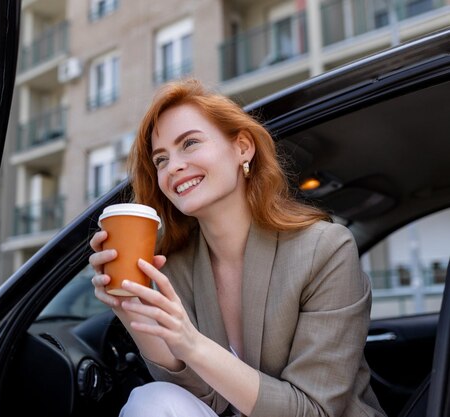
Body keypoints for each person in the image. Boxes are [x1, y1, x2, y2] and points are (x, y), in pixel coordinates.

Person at [89, 79, 386, 417]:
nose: (173, 167)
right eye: (160, 160)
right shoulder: (178, 264)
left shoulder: (324, 249)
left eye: (189, 143)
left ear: (242, 147)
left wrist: (193, 344)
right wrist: (130, 310)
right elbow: (207, 400)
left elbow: (315, 410)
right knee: (153, 400)